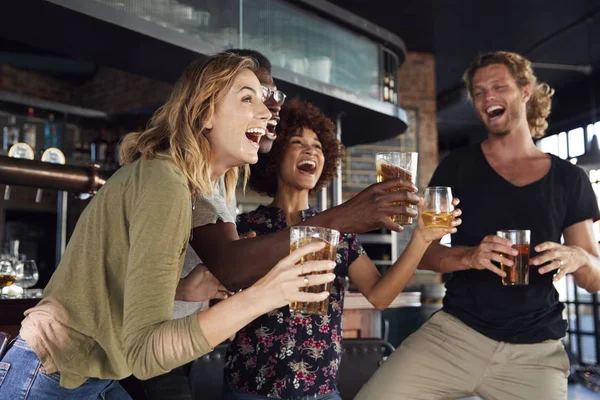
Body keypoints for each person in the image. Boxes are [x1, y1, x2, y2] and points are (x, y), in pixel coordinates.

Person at [0, 53, 337, 399]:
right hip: (51, 373)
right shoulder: (166, 182)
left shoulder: (187, 183)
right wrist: (266, 294)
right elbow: (146, 354)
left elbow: (118, 278)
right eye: (247, 98)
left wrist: (182, 290)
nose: (266, 113)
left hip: (92, 374)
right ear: (205, 113)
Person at [356, 51, 600, 400]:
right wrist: (469, 256)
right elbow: (426, 252)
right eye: (480, 91)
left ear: (525, 91)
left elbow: (595, 278)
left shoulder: (570, 179)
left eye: (499, 87)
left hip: (535, 352)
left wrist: (577, 257)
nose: (488, 97)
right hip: (456, 335)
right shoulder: (457, 168)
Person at [221, 98, 460, 400]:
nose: (311, 150)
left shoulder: (341, 230)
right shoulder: (247, 227)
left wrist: (422, 238)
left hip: (320, 391)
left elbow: (380, 296)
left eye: (319, 146)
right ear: (275, 152)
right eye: (297, 142)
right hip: (249, 388)